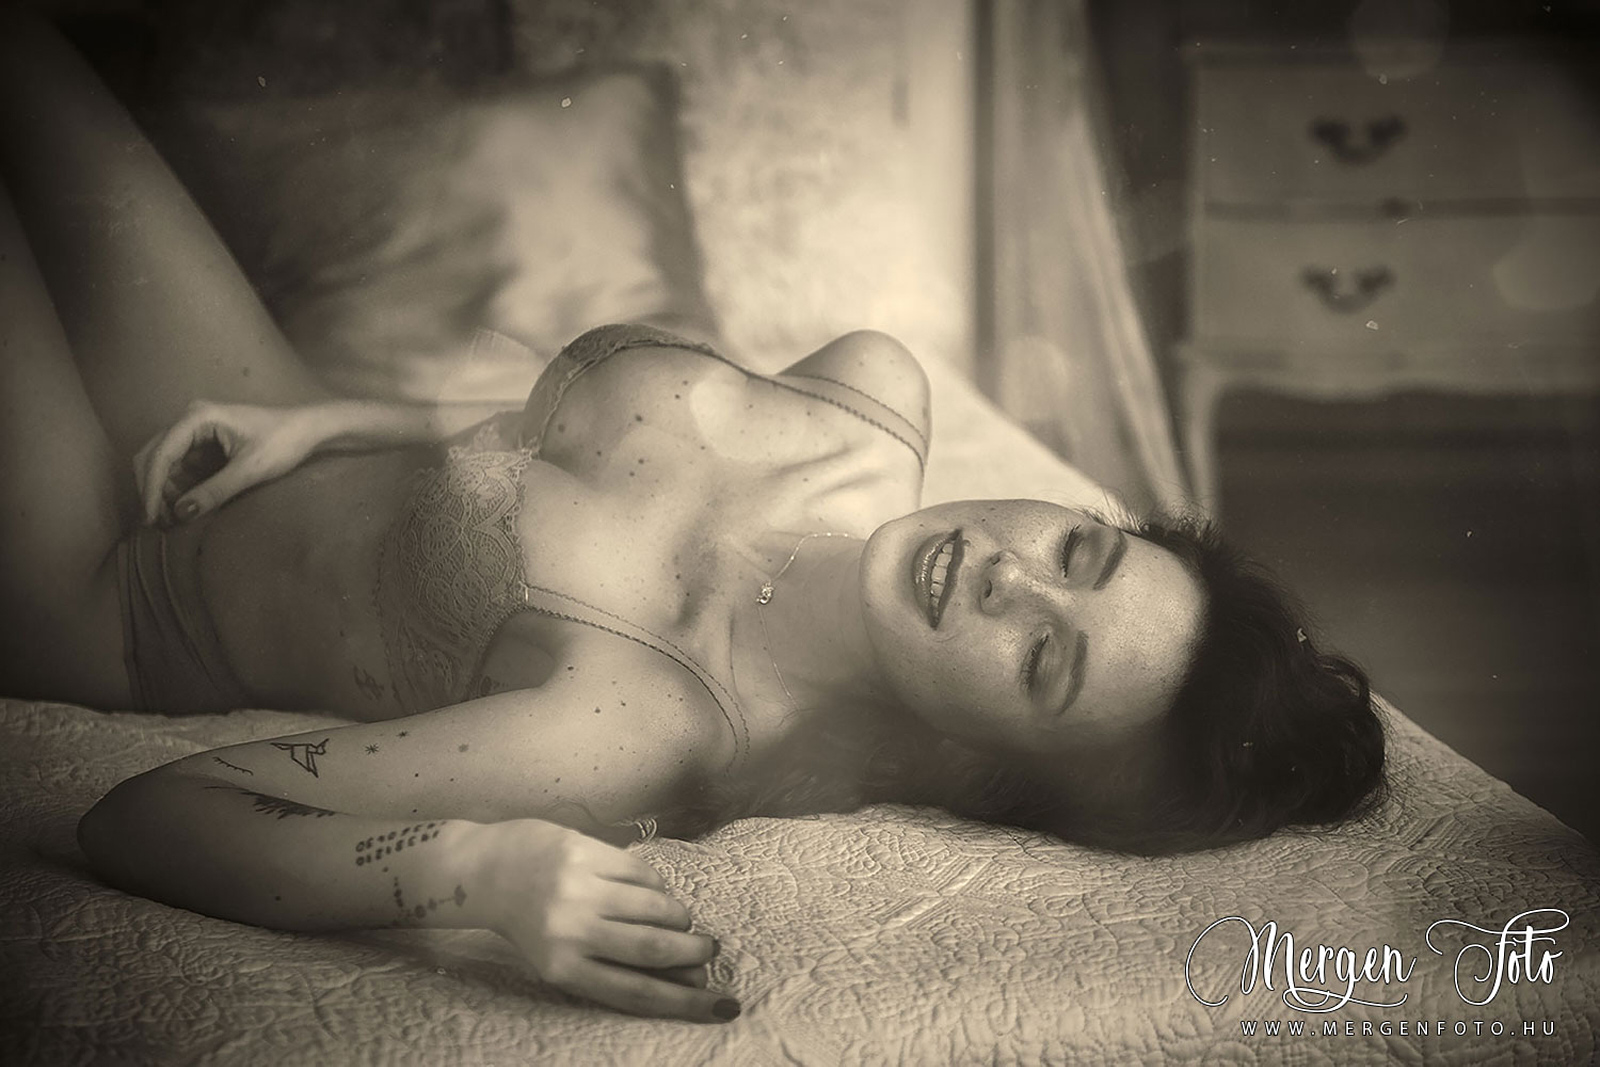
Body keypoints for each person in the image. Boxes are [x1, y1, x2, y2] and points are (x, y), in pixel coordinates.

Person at [0, 9, 1384, 1025]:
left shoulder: (636, 722)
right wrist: (354, 421)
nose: (1009, 577)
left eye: (1043, 660)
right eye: (1080, 551)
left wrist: (476, 869)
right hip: (257, 414)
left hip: (112, 592)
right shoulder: (870, 397)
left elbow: (148, 816)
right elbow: (546, 445)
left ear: (988, 758)